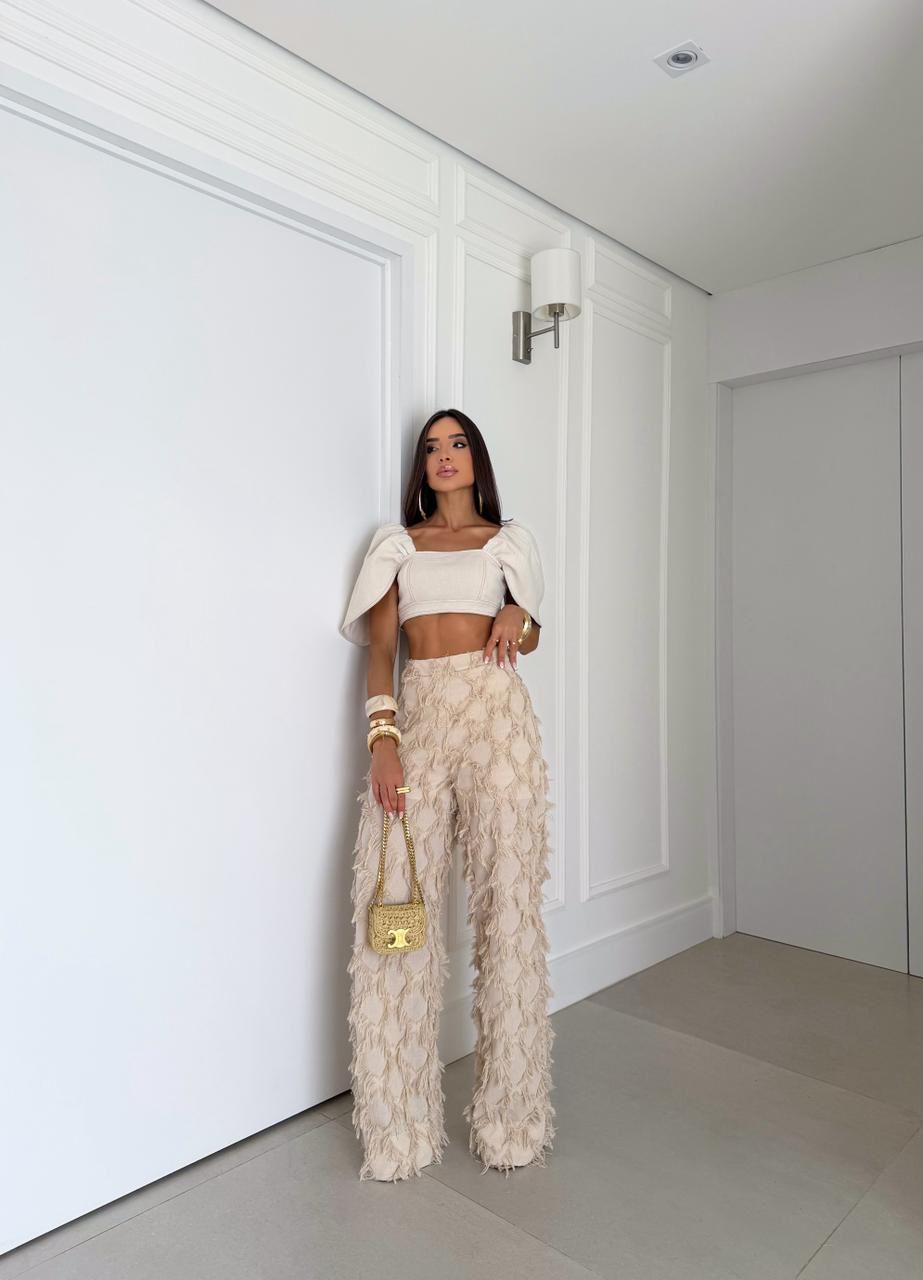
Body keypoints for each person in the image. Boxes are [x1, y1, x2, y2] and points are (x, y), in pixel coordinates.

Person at [339, 408, 556, 1182]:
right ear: (420, 466)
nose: (445, 456)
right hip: (423, 719)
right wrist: (383, 738)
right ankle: (397, 1129)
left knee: (509, 915)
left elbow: (529, 637)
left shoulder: (508, 543)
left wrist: (518, 613)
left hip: (498, 719)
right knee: (396, 911)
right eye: (432, 447)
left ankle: (512, 1119)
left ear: (476, 458)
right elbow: (381, 651)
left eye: (457, 443)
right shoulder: (397, 547)